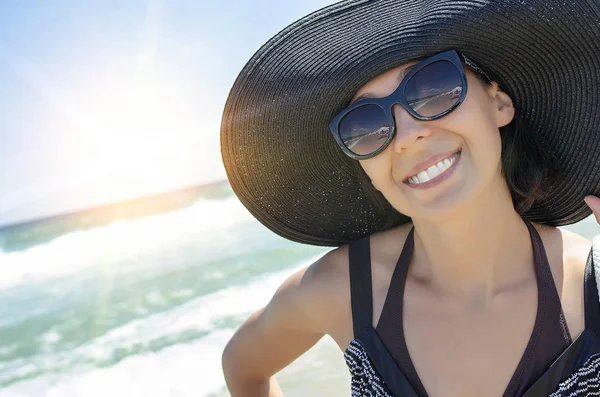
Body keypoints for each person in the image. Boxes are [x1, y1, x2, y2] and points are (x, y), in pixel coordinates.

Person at [219, 0, 600, 396]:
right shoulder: (342, 288)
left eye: (432, 88)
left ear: (498, 102)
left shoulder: (594, 287)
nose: (406, 135)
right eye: (365, 125)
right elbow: (243, 367)